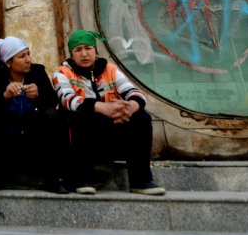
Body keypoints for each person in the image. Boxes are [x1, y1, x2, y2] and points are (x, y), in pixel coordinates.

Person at [52, 29, 165, 196]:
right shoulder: (62, 72)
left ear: (95, 51)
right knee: (77, 115)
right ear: (72, 54)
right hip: (83, 138)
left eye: (88, 48)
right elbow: (68, 100)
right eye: (78, 50)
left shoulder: (110, 69)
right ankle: (83, 178)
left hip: (113, 131)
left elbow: (136, 93)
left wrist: (129, 108)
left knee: (141, 116)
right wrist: (102, 108)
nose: (84, 54)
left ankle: (141, 180)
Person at [0, 36, 70, 194]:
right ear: (8, 62)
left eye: (28, 54)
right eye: (22, 56)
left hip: (34, 133)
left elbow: (51, 101)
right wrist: (5, 96)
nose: (28, 59)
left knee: (53, 115)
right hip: (7, 133)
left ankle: (54, 178)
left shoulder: (37, 72)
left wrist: (38, 96)